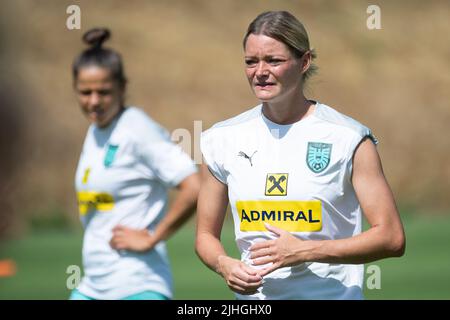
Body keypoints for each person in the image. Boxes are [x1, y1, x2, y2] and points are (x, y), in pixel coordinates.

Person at [196, 11, 405, 300]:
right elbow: (205, 236)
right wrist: (224, 264)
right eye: (251, 61)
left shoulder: (349, 138)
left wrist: (305, 250)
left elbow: (391, 238)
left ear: (304, 62)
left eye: (274, 61)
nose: (260, 71)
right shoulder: (220, 140)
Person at [71, 28, 200, 300]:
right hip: (92, 286)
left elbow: (194, 186)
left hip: (137, 286)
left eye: (103, 92)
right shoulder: (96, 130)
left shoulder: (138, 129)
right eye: (85, 92)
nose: (94, 101)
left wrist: (153, 238)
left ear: (123, 87)